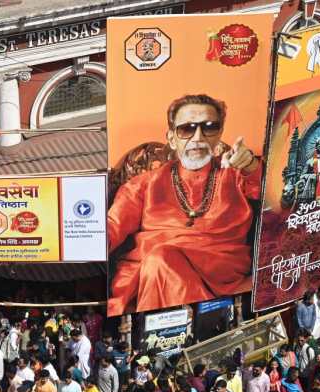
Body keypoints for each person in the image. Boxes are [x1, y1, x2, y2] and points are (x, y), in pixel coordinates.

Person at [107, 94, 262, 315]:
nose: (198, 137)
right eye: (187, 129)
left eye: (209, 128)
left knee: (159, 260)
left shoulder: (236, 174)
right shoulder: (143, 184)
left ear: (218, 136)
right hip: (149, 273)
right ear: (172, 138)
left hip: (220, 271)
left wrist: (251, 165)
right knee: (159, 259)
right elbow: (112, 226)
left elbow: (275, 193)